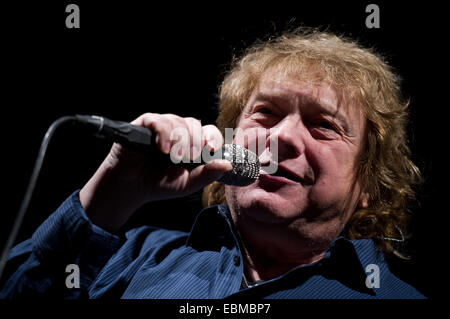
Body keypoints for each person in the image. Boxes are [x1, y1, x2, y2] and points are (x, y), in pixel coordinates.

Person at [0, 29, 425, 298]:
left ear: (368, 182)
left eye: (322, 125)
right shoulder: (128, 257)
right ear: (227, 142)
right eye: (266, 114)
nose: (281, 137)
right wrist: (110, 197)